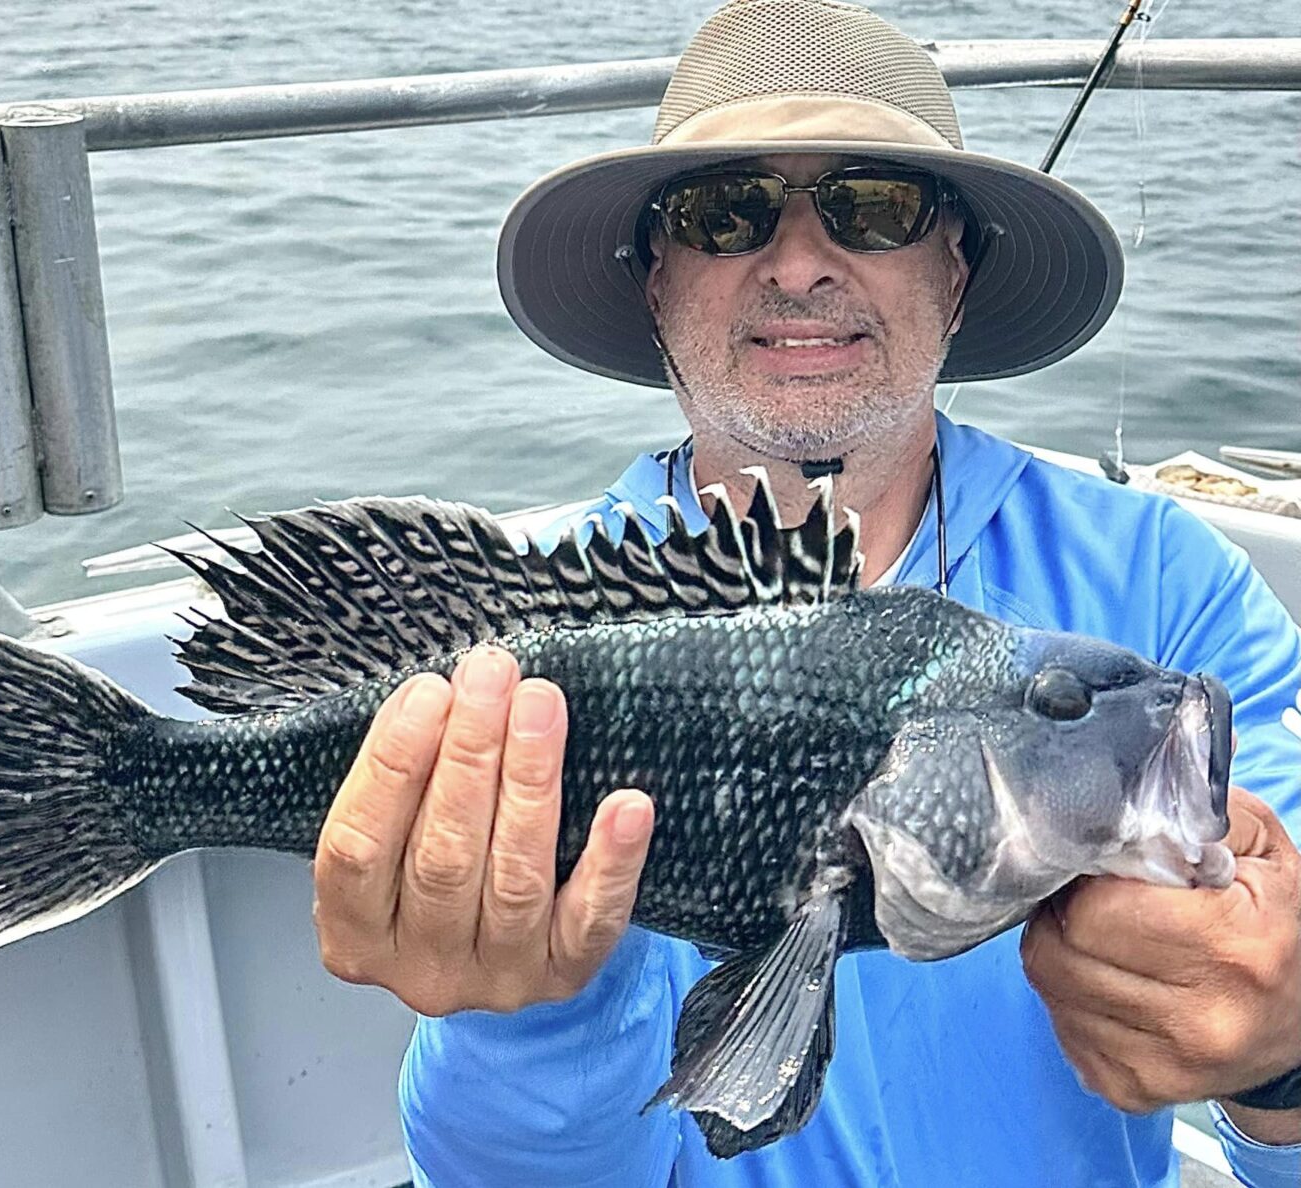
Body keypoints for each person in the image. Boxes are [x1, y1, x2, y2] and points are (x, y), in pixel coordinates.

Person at [310, 2, 1301, 1184]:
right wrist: (522, 1004)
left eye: (873, 206)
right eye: (724, 213)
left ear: (956, 265)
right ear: (655, 278)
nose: (796, 262)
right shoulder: (533, 645)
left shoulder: (1162, 585)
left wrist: (1278, 1060)